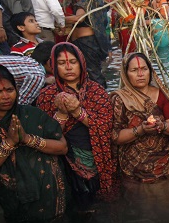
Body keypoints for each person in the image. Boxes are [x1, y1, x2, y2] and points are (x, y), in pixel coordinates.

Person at [0, 64, 68, 221]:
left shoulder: (33, 114)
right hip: (13, 205)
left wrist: (28, 139)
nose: (5, 96)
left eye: (10, 90)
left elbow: (62, 147)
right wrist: (8, 143)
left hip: (54, 200)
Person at [36, 43, 118, 206]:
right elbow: (46, 135)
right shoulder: (46, 95)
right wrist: (62, 113)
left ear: (81, 63)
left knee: (103, 204)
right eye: (61, 63)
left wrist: (77, 112)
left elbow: (105, 126)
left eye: (73, 62)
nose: (68, 67)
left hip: (96, 156)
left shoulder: (97, 91)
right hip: (65, 161)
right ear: (53, 65)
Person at [110, 52, 169, 184]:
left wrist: (163, 126)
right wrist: (140, 130)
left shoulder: (161, 94)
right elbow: (115, 136)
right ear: (126, 74)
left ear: (150, 71)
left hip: (165, 165)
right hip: (134, 168)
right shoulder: (119, 99)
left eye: (144, 69)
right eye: (134, 70)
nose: (140, 74)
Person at [70, 0, 110, 88]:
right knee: (94, 71)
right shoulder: (95, 4)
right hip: (93, 43)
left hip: (86, 44)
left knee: (92, 72)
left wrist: (60, 19)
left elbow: (79, 18)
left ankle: (100, 96)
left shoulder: (83, 4)